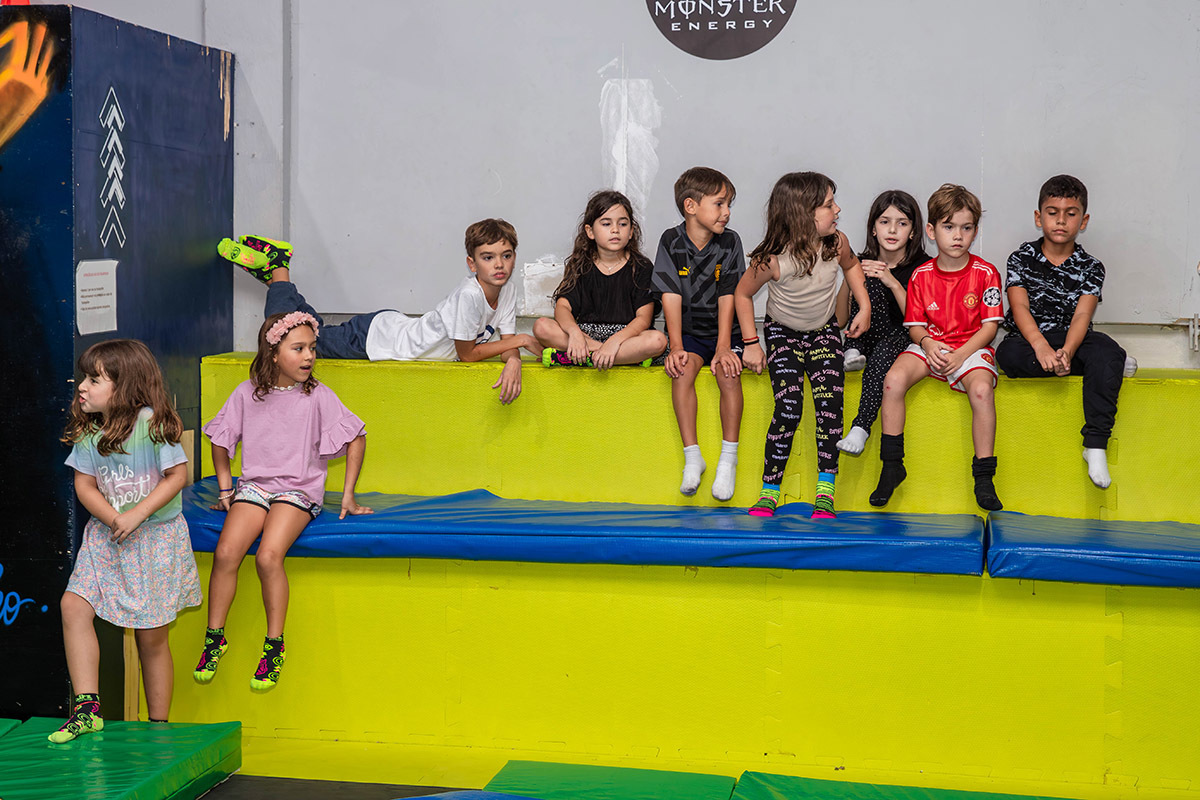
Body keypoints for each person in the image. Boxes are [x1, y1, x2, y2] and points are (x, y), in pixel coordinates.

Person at [195, 312, 372, 690]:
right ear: (273, 353)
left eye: (312, 348)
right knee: (227, 552)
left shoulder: (318, 396)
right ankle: (215, 637)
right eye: (298, 349)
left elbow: (357, 435)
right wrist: (226, 489)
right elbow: (220, 437)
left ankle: (274, 645)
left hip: (298, 489)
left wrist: (350, 495)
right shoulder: (247, 393)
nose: (309, 356)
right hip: (256, 487)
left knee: (267, 556)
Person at [53, 339, 200, 742]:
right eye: (84, 376)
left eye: (93, 379)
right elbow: (84, 485)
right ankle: (88, 709)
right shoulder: (90, 429)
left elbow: (177, 476)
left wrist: (137, 514)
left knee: (151, 637)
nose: (82, 386)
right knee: (73, 605)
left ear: (123, 386)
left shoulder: (152, 424)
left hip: (153, 541)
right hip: (107, 537)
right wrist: (115, 517)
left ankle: (158, 727)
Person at [218, 221, 541, 405]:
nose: (499, 265)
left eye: (506, 255)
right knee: (287, 332)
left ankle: (277, 279)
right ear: (472, 264)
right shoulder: (470, 295)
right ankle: (278, 267)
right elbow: (468, 354)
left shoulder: (507, 288)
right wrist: (522, 343)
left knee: (312, 329)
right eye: (488, 257)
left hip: (391, 326)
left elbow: (507, 339)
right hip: (375, 340)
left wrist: (513, 360)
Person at [735, 172, 870, 518]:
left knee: (830, 408)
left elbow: (852, 265)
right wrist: (752, 342)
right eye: (828, 204)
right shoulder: (772, 259)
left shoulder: (835, 242)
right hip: (783, 334)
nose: (837, 209)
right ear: (802, 213)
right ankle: (770, 490)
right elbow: (742, 293)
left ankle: (825, 491)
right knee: (789, 409)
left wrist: (864, 305)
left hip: (824, 332)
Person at [870, 184, 1004, 511]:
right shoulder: (921, 275)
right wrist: (928, 343)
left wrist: (959, 355)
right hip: (931, 344)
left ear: (974, 230)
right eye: (948, 227)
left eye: (966, 227)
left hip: (969, 348)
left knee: (983, 392)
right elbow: (915, 325)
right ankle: (891, 465)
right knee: (893, 380)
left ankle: (984, 476)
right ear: (931, 231)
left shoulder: (986, 273)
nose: (957, 236)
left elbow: (990, 327)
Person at [995, 175, 1133, 489]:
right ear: (1038, 217)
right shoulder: (1020, 259)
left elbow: (1084, 313)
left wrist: (1068, 351)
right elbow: (1020, 309)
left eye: (1070, 213)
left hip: (1075, 338)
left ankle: (1095, 445)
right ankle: (1099, 368)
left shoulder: (1091, 266)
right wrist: (1043, 348)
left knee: (1107, 351)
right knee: (1006, 354)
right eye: (1052, 211)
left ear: (1083, 221)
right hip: (1029, 341)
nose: (1061, 220)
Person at [652, 167, 746, 500]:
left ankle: (727, 459)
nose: (727, 212)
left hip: (725, 330)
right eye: (720, 204)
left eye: (729, 204)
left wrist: (724, 347)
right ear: (691, 206)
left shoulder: (730, 242)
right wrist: (676, 346)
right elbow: (670, 296)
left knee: (728, 373)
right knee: (681, 373)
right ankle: (693, 458)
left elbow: (729, 294)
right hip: (690, 332)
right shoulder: (671, 241)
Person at [836, 190, 930, 456]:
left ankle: (861, 427)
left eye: (902, 223)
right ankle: (852, 348)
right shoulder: (860, 261)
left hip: (900, 339)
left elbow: (918, 321)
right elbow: (840, 319)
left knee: (883, 351)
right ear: (873, 228)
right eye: (884, 221)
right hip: (862, 335)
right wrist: (850, 278)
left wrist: (891, 281)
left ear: (913, 231)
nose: (892, 229)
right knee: (869, 280)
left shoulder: (923, 266)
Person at [534, 190, 667, 368]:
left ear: (631, 232)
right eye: (606, 223)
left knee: (657, 340)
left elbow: (643, 319)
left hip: (626, 336)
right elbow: (563, 307)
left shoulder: (642, 267)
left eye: (622, 224)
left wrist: (614, 342)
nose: (615, 230)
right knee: (542, 327)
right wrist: (575, 334)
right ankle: (620, 357)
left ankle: (582, 358)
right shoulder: (580, 264)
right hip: (586, 335)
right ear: (590, 231)